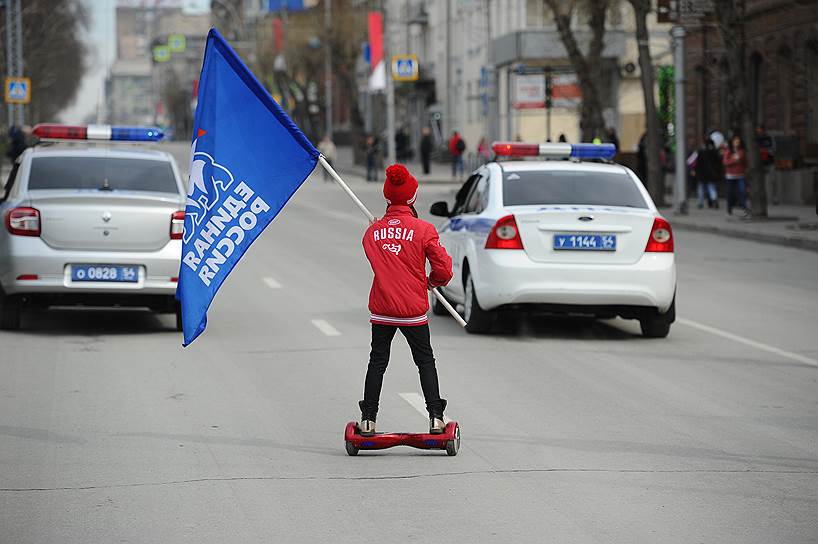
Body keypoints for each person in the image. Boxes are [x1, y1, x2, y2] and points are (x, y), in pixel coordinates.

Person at [359, 164, 453, 436]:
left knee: (377, 361)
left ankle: (368, 419)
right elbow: (444, 270)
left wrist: (376, 230)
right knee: (425, 361)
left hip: (383, 309)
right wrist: (432, 282)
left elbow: (379, 257)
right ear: (412, 198)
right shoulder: (424, 230)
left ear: (387, 197)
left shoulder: (372, 233)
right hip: (412, 310)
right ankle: (436, 417)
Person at [722, 134, 748, 216]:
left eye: (738, 141)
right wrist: (733, 160)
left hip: (740, 174)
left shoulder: (742, 151)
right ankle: (729, 207)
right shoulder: (728, 151)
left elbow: (745, 162)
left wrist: (745, 170)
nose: (737, 143)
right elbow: (725, 162)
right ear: (732, 142)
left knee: (742, 191)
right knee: (730, 193)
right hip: (730, 175)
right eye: (735, 141)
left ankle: (744, 207)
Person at [695, 137, 721, 209]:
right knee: (711, 187)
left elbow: (698, 163)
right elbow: (718, 163)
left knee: (701, 188)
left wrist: (696, 171)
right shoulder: (715, 151)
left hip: (702, 173)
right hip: (712, 172)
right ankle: (714, 199)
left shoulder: (701, 152)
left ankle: (700, 203)